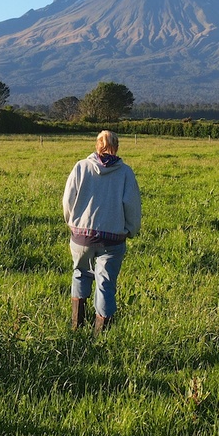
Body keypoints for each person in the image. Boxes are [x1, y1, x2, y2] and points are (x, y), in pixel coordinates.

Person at [62, 130, 141, 332]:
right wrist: (131, 230)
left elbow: (68, 200)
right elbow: (131, 205)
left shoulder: (80, 167)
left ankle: (76, 325)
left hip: (81, 237)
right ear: (116, 146)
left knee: (80, 273)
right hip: (112, 240)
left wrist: (72, 223)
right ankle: (101, 333)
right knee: (105, 284)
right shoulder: (125, 173)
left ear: (97, 145)